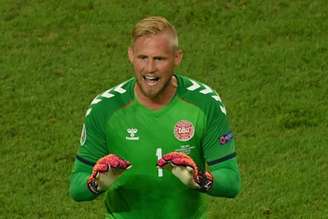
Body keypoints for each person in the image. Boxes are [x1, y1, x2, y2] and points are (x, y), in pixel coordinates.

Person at [69, 16, 241, 219]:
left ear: (177, 57)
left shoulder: (204, 104)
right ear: (131, 55)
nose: (150, 69)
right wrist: (96, 184)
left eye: (159, 59)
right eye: (143, 57)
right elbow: (76, 187)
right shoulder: (105, 108)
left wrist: (199, 180)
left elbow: (231, 181)